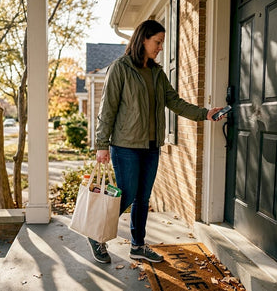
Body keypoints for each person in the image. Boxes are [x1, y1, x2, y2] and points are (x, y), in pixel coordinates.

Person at [89, 19, 225, 264]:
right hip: (125, 146)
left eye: (162, 43)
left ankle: (138, 246)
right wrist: (101, 144)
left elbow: (174, 102)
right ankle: (96, 234)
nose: (160, 47)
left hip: (151, 147)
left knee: (143, 198)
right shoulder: (120, 68)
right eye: (158, 42)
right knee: (127, 195)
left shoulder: (156, 73)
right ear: (143, 39)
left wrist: (204, 113)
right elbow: (107, 109)